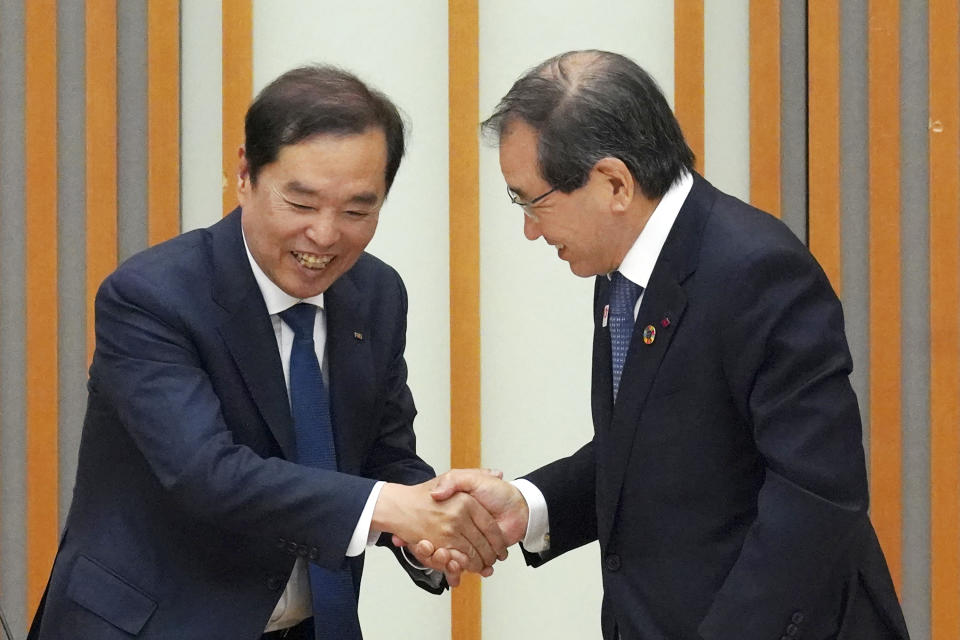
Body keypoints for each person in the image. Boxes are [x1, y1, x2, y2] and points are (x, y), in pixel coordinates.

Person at [417, 50, 911, 639]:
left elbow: (816, 497)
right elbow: (654, 448)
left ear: (614, 183)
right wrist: (530, 505)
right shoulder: (620, 270)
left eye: (534, 201)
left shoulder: (756, 269)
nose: (529, 229)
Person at [27, 65, 506, 640]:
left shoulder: (376, 294)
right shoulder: (153, 296)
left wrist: (434, 523)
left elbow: (381, 452)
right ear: (245, 175)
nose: (325, 236)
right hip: (151, 625)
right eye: (301, 203)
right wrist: (393, 508)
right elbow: (206, 473)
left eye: (357, 210)